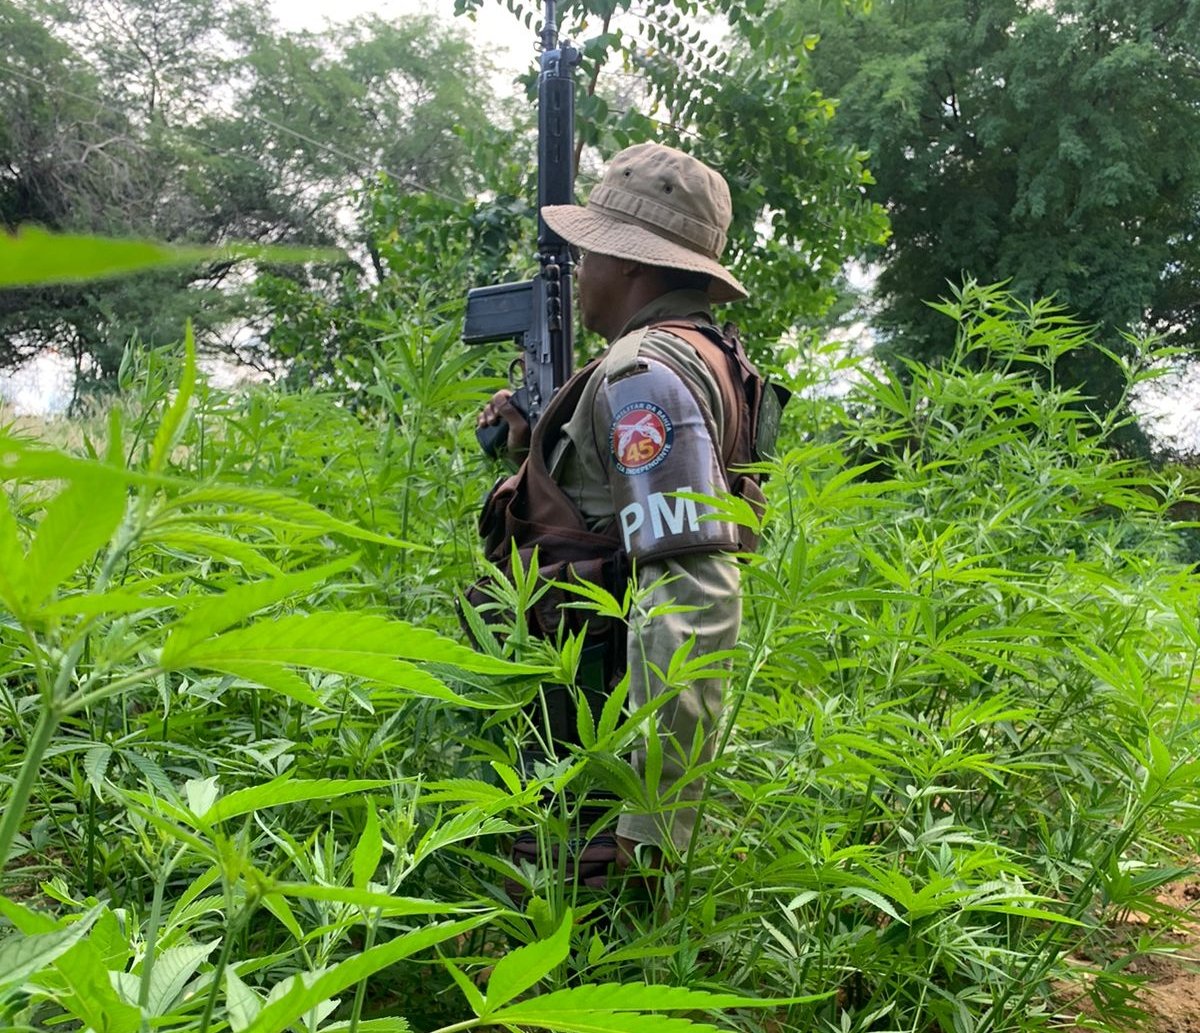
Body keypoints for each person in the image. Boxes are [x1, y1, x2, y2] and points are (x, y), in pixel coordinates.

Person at [474, 141, 771, 881]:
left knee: (577, 983)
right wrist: (533, 456)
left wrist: (650, 818)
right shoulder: (699, 355)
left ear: (632, 263)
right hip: (589, 740)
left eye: (591, 254)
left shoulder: (644, 374)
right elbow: (613, 519)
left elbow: (692, 593)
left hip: (599, 765)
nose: (582, 273)